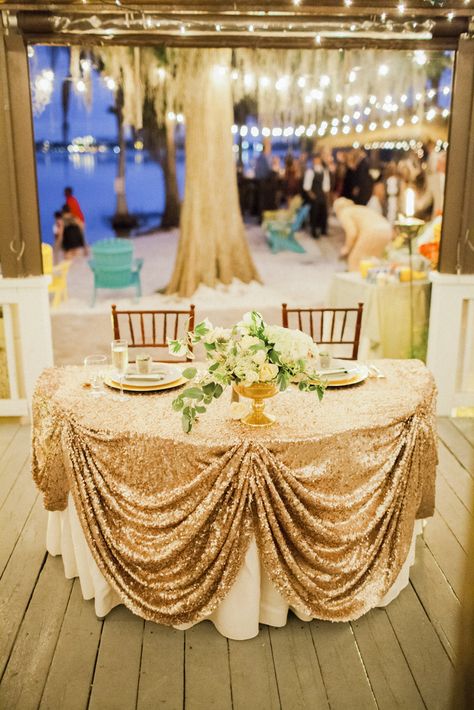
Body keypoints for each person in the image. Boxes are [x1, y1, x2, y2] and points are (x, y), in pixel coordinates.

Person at [334, 197, 393, 271]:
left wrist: (347, 248)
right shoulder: (359, 208)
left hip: (372, 232)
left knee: (355, 261)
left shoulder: (345, 212)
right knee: (374, 261)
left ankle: (355, 280)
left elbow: (352, 233)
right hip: (387, 230)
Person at [303, 154, 329, 238]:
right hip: (314, 195)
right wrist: (312, 195)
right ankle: (313, 231)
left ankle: (323, 230)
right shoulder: (310, 171)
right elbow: (306, 186)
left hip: (322, 194)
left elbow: (326, 184)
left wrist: (326, 194)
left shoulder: (324, 171)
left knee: (324, 213)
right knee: (314, 213)